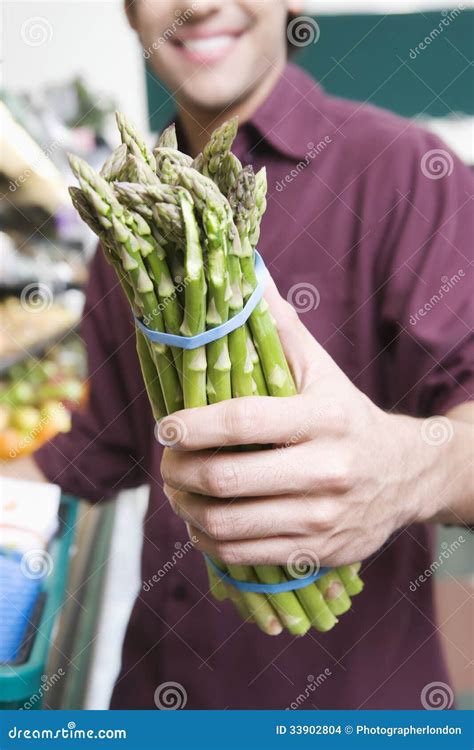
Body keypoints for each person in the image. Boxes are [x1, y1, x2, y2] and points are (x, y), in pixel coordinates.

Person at [4, 0, 473, 709]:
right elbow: (97, 447)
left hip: (346, 706)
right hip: (156, 694)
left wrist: (406, 470)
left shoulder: (409, 169)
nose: (197, 3)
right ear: (130, 11)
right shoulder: (132, 217)